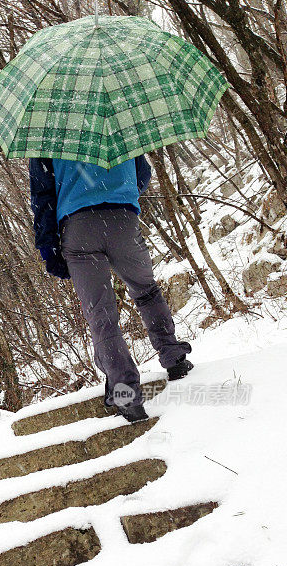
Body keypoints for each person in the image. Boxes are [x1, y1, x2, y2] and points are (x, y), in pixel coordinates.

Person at [29, 155, 193, 423]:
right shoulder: (117, 122)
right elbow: (142, 173)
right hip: (122, 219)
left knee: (100, 315)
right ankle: (173, 356)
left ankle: (126, 394)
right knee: (146, 290)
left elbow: (42, 195)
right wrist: (120, 192)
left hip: (78, 226)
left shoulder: (48, 138)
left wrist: (48, 246)